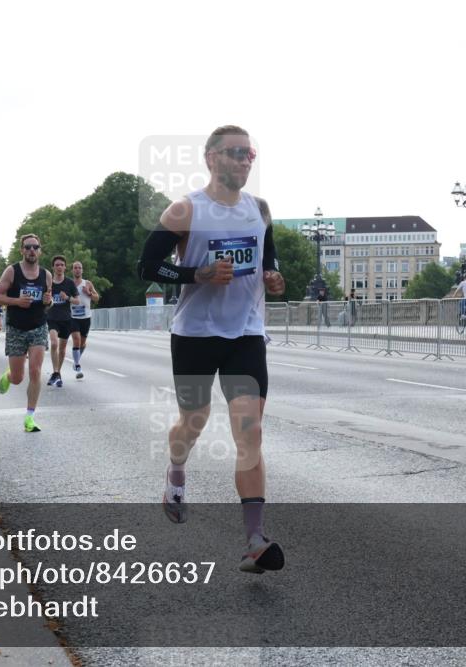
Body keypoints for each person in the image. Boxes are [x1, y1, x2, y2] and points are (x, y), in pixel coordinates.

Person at [137, 125, 286, 574]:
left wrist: (274, 277)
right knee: (194, 421)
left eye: (250, 153)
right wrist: (196, 275)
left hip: (245, 334)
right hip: (196, 334)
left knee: (250, 431)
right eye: (236, 152)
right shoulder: (186, 210)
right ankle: (176, 472)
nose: (245, 160)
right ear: (211, 158)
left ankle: (255, 541)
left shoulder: (259, 209)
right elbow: (147, 265)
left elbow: (267, 262)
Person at [0, 234, 52, 432]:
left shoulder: (46, 275)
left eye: (35, 247)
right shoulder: (12, 271)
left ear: (40, 251)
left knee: (35, 371)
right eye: (28, 247)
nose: (32, 251)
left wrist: (48, 301)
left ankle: (30, 417)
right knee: (19, 377)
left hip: (38, 326)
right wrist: (17, 302)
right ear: (22, 250)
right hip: (16, 328)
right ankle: (8, 377)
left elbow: (47, 303)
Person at [45, 256, 79, 387]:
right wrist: (47, 302)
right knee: (54, 343)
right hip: (52, 318)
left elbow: (77, 301)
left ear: (65, 267)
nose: (59, 267)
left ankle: (57, 373)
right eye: (57, 265)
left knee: (63, 348)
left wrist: (67, 298)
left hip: (66, 319)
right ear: (53, 267)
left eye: (62, 265)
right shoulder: (48, 284)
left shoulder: (69, 283)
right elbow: (44, 301)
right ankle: (55, 372)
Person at [70, 260, 100, 379]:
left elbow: (97, 298)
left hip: (86, 317)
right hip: (73, 316)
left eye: (79, 268)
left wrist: (89, 293)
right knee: (76, 340)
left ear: (82, 270)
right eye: (75, 268)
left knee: (82, 344)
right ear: (72, 270)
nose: (77, 269)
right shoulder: (69, 283)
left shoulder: (87, 283)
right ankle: (77, 365)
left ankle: (75, 361)